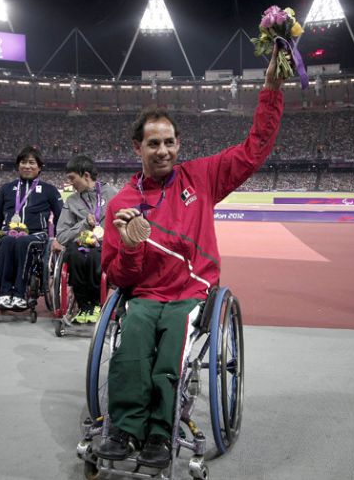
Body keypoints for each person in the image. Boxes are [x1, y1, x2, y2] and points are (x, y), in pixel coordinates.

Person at [95, 46, 288, 468]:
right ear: (137, 148)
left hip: (192, 293)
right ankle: (124, 429)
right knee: (132, 342)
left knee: (172, 348)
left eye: (169, 142)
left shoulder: (201, 177)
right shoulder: (121, 205)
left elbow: (253, 151)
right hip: (146, 295)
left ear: (179, 143)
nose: (163, 150)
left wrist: (271, 90)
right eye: (153, 144)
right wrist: (130, 247)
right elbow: (117, 276)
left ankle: (159, 435)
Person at [0, 145, 63, 310]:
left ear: (39, 167)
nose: (27, 166)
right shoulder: (6, 189)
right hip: (9, 233)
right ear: (18, 165)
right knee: (6, 240)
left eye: (31, 162)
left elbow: (60, 217)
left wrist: (58, 238)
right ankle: (4, 293)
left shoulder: (49, 190)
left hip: (37, 234)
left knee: (23, 242)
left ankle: (19, 294)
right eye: (23, 162)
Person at [54, 156, 117, 323]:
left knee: (97, 255)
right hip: (80, 246)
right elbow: (62, 236)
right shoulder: (71, 201)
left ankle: (96, 304)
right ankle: (84, 306)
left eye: (72, 178)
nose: (70, 183)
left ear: (86, 175)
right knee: (75, 254)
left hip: (105, 245)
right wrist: (84, 224)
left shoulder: (112, 194)